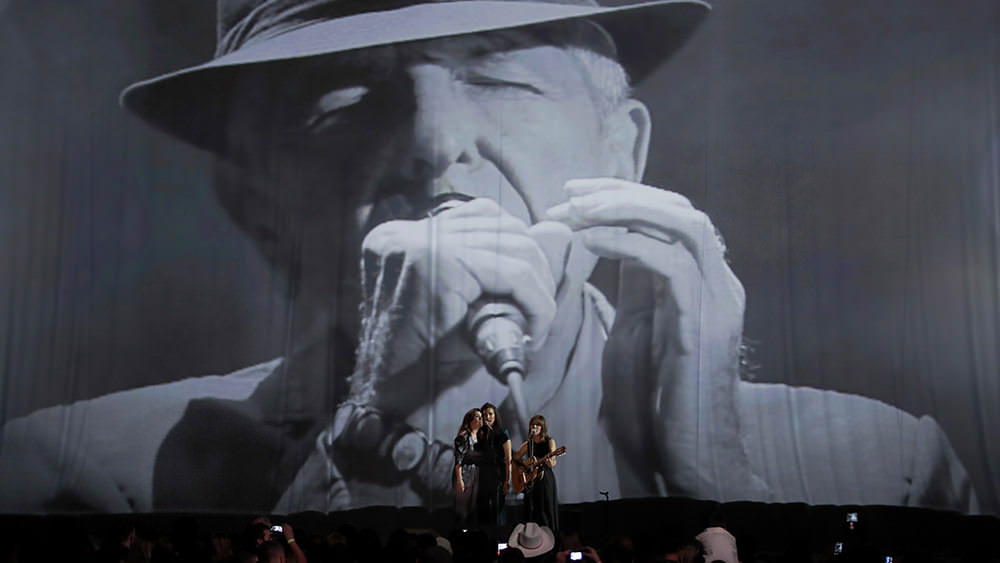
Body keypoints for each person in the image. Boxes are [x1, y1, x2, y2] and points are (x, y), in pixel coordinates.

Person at [0, 0, 978, 514]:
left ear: (621, 155)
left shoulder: (879, 470)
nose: (435, 147)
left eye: (503, 73)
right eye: (342, 96)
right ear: (255, 202)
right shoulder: (83, 475)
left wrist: (718, 491)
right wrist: (370, 444)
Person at [514, 415, 560, 532]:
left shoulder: (549, 441)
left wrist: (550, 462)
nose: (534, 427)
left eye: (538, 425)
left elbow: (553, 462)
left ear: (542, 427)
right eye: (532, 424)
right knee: (531, 509)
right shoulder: (528, 444)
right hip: (531, 481)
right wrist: (522, 469)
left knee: (545, 508)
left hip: (545, 479)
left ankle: (550, 536)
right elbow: (515, 458)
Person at [477, 402, 512, 525]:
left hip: (498, 475)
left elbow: (508, 458)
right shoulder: (480, 434)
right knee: (483, 508)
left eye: (490, 414)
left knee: (498, 507)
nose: (488, 417)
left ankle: (499, 537)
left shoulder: (502, 433)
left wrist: (508, 479)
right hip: (483, 475)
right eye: (485, 414)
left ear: (495, 415)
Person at [454, 408, 484, 527]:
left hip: (477, 474)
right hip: (465, 473)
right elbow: (458, 460)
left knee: (474, 508)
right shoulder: (463, 436)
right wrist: (459, 479)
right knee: (463, 508)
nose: (481, 419)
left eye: (481, 416)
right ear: (470, 420)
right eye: (477, 416)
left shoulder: (481, 436)